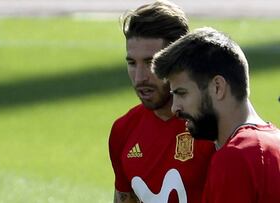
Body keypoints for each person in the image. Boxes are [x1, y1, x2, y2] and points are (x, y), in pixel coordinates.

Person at [152, 27, 280, 203]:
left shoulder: (234, 158)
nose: (175, 108)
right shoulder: (274, 142)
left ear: (217, 87)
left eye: (182, 93)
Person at [108, 1, 216, 202]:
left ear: (180, 60)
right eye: (132, 63)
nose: (140, 77)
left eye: (151, 62)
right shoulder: (124, 131)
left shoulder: (215, 127)